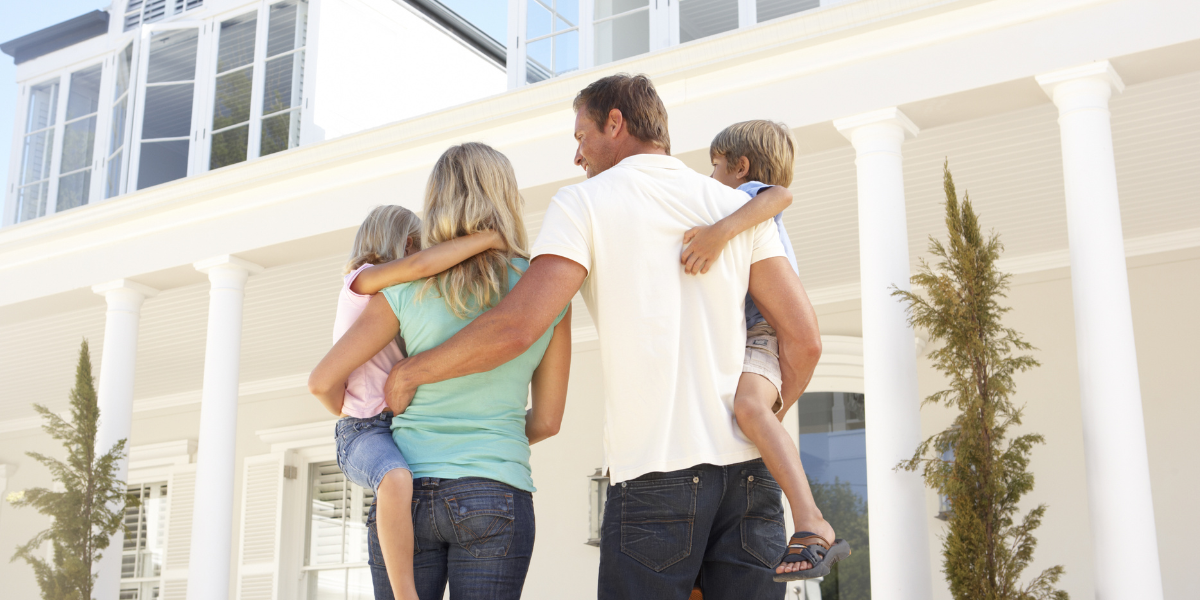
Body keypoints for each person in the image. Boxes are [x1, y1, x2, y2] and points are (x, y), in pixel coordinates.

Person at [382, 74, 827, 599]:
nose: (578, 156)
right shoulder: (731, 205)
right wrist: (759, 421)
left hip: (653, 480)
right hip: (750, 481)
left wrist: (413, 369)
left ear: (615, 123)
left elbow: (519, 326)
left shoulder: (584, 203)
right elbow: (804, 340)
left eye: (580, 137)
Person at [313, 142, 572, 600]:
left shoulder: (403, 287)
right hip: (495, 487)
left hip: (407, 486)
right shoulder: (543, 290)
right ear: (507, 199)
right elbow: (548, 421)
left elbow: (326, 377)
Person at [308, 204, 508, 599]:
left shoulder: (402, 301)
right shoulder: (361, 281)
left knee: (406, 482)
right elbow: (320, 385)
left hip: (392, 425)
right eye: (421, 246)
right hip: (363, 429)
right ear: (409, 244)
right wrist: (491, 237)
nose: (424, 255)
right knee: (395, 478)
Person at [680, 120, 850, 582]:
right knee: (751, 419)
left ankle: (812, 521)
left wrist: (717, 233)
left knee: (752, 409)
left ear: (741, 166)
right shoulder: (742, 203)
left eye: (715, 166)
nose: (710, 176)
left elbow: (781, 195)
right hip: (755, 331)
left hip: (765, 330)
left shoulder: (749, 199)